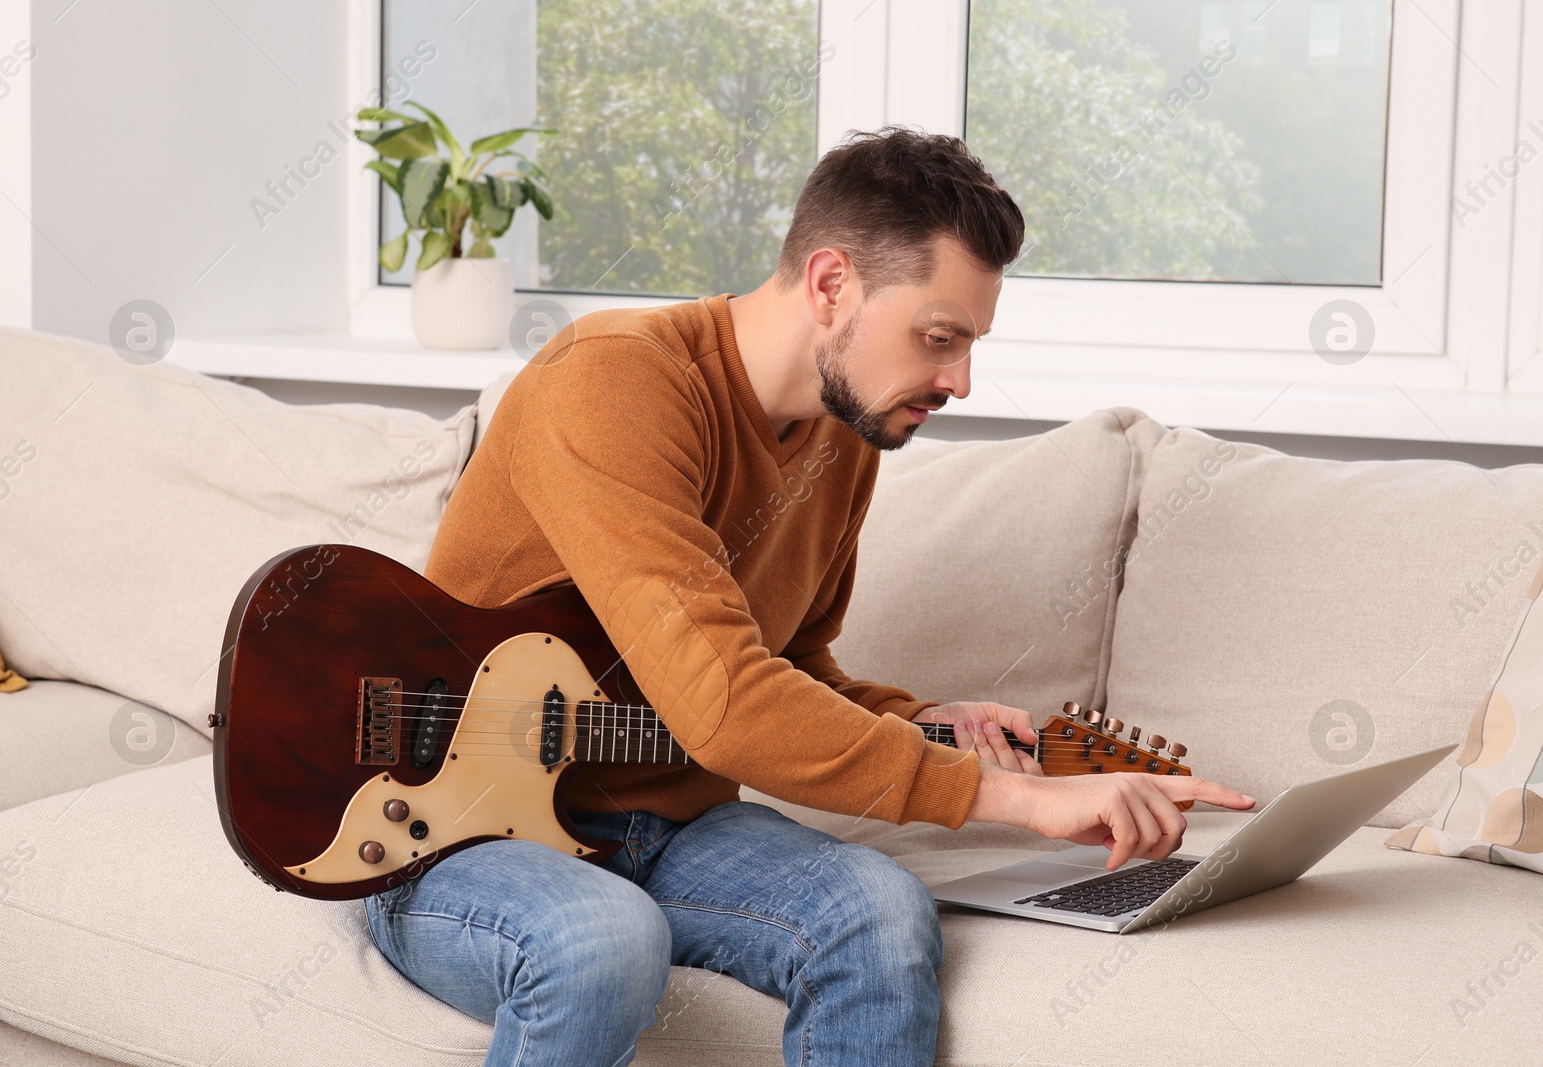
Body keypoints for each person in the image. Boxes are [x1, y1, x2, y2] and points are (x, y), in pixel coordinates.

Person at [363, 125, 1255, 1067]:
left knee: (874, 908)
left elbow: (787, 669)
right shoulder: (612, 379)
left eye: (968, 344)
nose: (958, 379)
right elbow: (723, 698)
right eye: (939, 337)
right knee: (603, 938)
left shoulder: (845, 435)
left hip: (666, 827)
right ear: (831, 285)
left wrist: (925, 725)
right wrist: (1010, 802)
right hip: (451, 830)